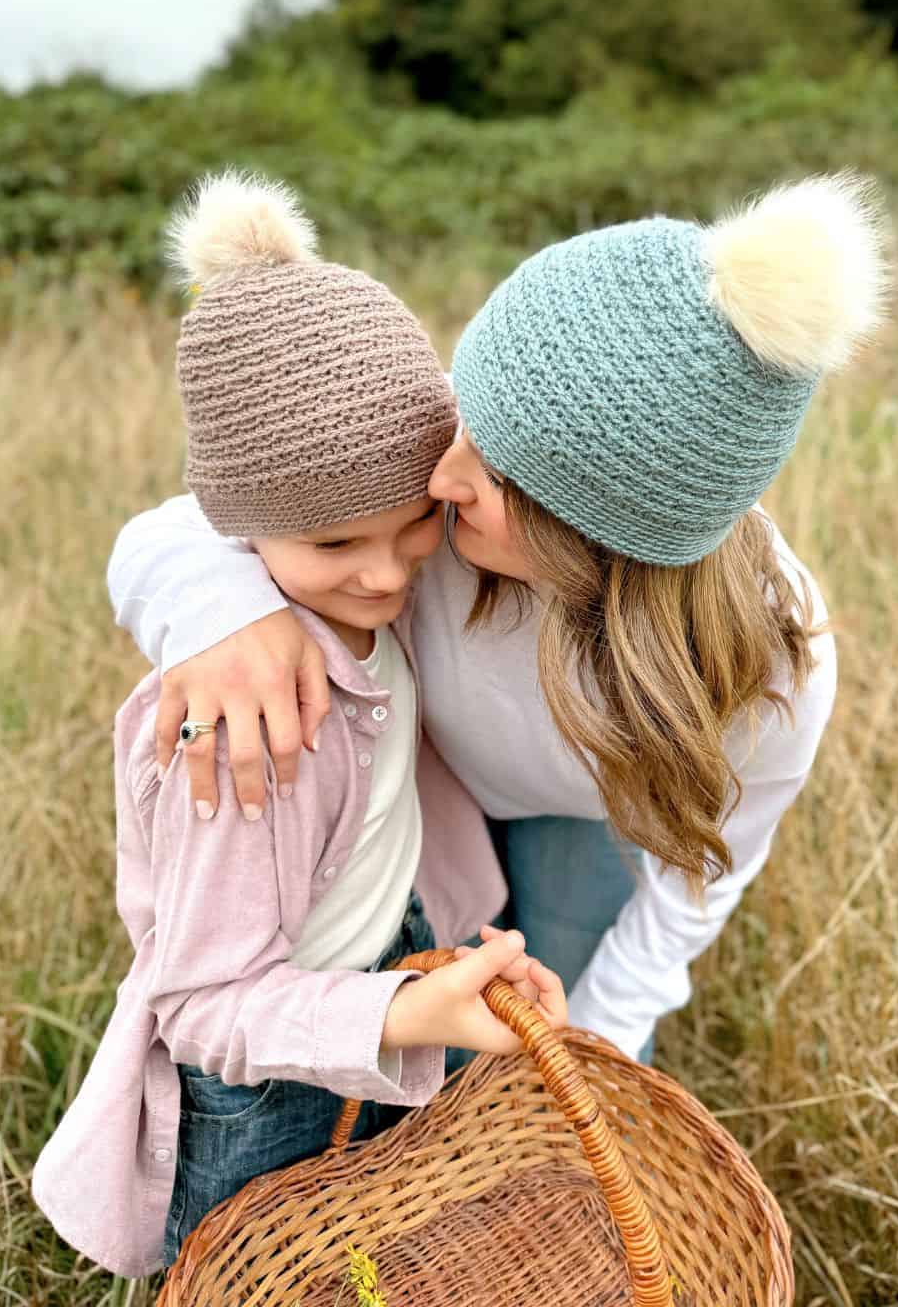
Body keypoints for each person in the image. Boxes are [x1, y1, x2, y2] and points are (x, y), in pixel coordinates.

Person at [108, 171, 890, 1066]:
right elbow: (193, 522)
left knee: (540, 1017)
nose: (441, 480)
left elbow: (696, 888)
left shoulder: (769, 669)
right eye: (464, 422)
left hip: (580, 819)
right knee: (418, 1022)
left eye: (498, 476)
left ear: (597, 538)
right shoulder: (448, 476)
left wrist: (601, 1050)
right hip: (416, 788)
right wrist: (222, 614)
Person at [32, 172, 566, 1279]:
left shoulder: (370, 596)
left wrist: (426, 976)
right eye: (333, 545)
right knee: (267, 1271)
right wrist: (406, 1014)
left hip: (376, 975)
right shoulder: (247, 730)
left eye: (415, 520)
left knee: (381, 1249)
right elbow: (205, 1006)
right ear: (240, 529)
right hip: (267, 1083)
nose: (382, 573)